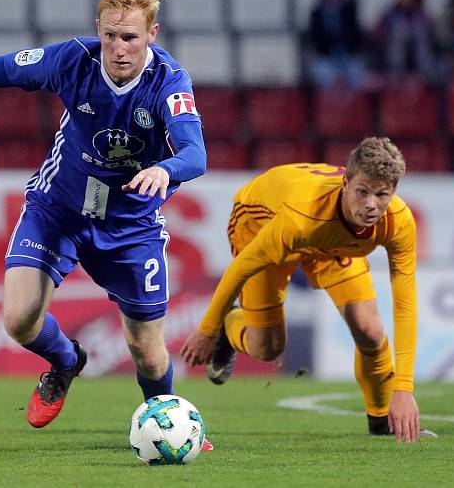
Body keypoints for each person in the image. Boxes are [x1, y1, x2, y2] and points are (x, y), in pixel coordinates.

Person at [0, 0, 211, 446]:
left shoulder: (169, 82)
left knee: (148, 353)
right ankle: (65, 361)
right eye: (112, 35)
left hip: (129, 225)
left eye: (132, 38)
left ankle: (173, 426)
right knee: (18, 320)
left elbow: (196, 154)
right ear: (98, 28)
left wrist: (166, 168)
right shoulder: (71, 59)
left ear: (152, 34)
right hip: (56, 209)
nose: (120, 49)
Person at [180, 137, 427, 443]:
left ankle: (381, 424)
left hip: (328, 241)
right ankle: (230, 330)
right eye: (362, 192)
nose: (371, 205)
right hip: (261, 223)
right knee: (267, 348)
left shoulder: (398, 222)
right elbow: (241, 267)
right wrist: (207, 328)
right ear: (346, 183)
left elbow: (405, 305)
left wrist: (403, 389)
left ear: (394, 191)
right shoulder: (301, 217)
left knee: (370, 329)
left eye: (382, 194)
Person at [371, 0, 438, 85]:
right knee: (399, 31)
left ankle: (424, 72)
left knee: (419, 30)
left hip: (419, 60)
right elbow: (377, 37)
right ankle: (396, 74)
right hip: (394, 61)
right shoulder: (389, 13)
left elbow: (432, 41)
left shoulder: (422, 14)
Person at [306, 0, 366, 89]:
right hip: (326, 56)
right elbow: (315, 36)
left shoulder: (348, 6)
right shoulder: (316, 10)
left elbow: (354, 32)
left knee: (355, 77)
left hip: (348, 54)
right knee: (325, 76)